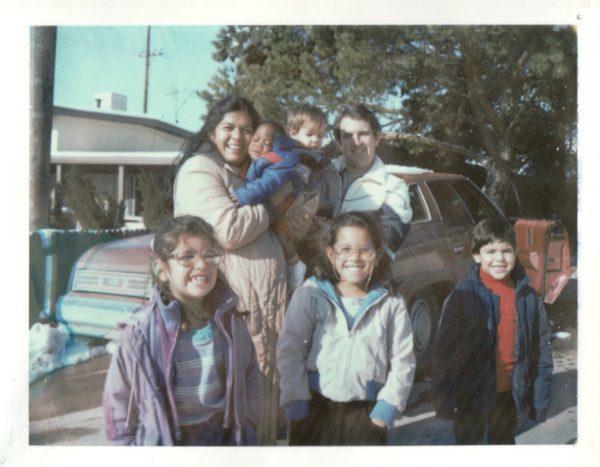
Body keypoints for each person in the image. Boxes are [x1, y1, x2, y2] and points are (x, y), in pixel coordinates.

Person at [172, 96, 286, 445]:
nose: (238, 137)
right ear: (211, 131)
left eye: (247, 129)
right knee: (236, 418)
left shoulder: (240, 174)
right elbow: (226, 230)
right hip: (233, 316)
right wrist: (273, 206)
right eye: (229, 128)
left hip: (260, 313)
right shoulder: (200, 170)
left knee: (259, 411)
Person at [102, 215, 261, 446]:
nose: (202, 264)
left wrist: (248, 427)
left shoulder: (230, 323)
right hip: (167, 443)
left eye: (209, 254)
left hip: (223, 440)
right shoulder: (140, 336)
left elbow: (250, 379)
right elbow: (118, 407)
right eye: (187, 256)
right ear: (162, 269)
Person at [277, 211, 416, 445]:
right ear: (331, 254)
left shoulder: (390, 303)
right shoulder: (311, 295)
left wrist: (387, 409)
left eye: (364, 249)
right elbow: (290, 348)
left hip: (366, 415)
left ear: (377, 255)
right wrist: (295, 401)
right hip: (313, 408)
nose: (355, 257)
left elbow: (403, 360)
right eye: (345, 249)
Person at [432, 217, 553, 444]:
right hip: (470, 396)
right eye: (491, 251)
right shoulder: (461, 296)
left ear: (516, 253)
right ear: (477, 256)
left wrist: (540, 398)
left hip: (508, 395)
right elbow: (444, 353)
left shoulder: (528, 297)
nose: (499, 258)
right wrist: (444, 401)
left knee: (504, 444)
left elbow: (541, 350)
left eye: (506, 251)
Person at [294, 104, 412, 273]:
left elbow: (385, 245)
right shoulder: (317, 173)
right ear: (339, 143)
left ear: (377, 138)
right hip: (307, 280)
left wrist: (332, 236)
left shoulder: (394, 188)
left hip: (356, 288)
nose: (356, 142)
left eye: (363, 134)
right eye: (348, 135)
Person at [233, 105, 329, 291]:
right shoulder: (289, 153)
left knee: (283, 238)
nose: (316, 140)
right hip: (285, 203)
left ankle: (297, 266)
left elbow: (272, 182)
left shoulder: (303, 157)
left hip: (292, 204)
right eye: (310, 135)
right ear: (292, 132)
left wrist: (243, 196)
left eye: (320, 136)